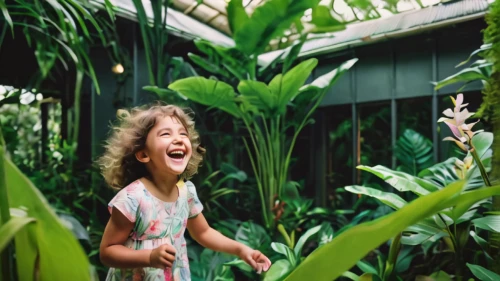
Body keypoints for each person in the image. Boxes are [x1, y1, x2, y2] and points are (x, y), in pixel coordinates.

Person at [98, 104, 272, 281]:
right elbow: (107, 251)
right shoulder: (133, 198)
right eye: (166, 134)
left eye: (183, 133)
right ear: (143, 154)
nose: (179, 139)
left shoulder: (186, 192)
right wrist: (149, 257)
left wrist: (241, 250)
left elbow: (203, 233)